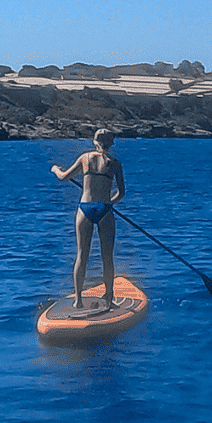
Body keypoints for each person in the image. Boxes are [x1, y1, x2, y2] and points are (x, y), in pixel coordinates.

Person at [50, 129, 126, 309]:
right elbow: (121, 193)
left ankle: (78, 300)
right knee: (107, 257)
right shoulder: (115, 164)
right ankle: (109, 298)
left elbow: (63, 177)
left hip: (84, 209)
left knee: (81, 255)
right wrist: (109, 203)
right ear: (111, 144)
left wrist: (55, 169)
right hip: (104, 210)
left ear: (94, 142)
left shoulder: (85, 158)